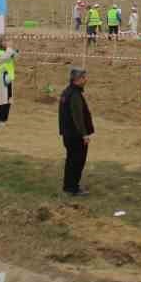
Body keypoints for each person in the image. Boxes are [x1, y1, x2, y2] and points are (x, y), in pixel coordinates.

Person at [58, 67, 93, 196]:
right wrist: (84, 134)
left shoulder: (67, 92)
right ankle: (72, 188)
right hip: (75, 135)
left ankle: (68, 187)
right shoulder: (74, 95)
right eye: (83, 77)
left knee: (71, 160)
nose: (86, 80)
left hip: (68, 134)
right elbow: (78, 117)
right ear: (77, 80)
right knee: (77, 161)